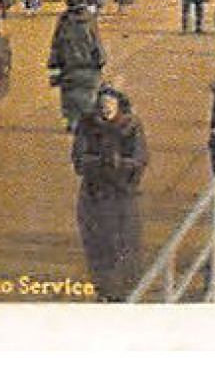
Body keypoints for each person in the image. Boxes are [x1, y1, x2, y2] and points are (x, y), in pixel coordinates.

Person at [71, 86, 148, 301]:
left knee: (123, 244)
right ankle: (102, 289)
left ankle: (124, 291)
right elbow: (78, 160)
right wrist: (107, 163)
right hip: (93, 196)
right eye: (102, 105)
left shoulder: (131, 126)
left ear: (118, 106)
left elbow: (139, 160)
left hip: (121, 195)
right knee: (96, 244)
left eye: (110, 105)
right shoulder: (87, 125)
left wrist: (115, 165)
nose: (106, 109)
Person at [48, 2, 107, 130]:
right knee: (89, 98)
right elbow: (96, 44)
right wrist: (101, 62)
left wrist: (53, 66)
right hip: (89, 67)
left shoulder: (63, 22)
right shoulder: (90, 20)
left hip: (69, 67)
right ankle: (86, 123)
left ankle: (72, 121)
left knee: (69, 97)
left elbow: (56, 45)